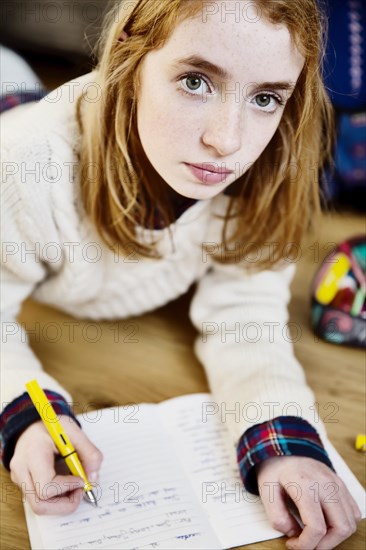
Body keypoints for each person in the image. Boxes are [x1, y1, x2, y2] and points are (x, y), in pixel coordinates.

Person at [0, 1, 362, 548]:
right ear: (130, 57)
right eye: (196, 81)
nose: (227, 140)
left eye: (265, 97)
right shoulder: (29, 164)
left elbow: (245, 311)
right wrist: (26, 418)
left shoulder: (268, 162)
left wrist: (282, 441)